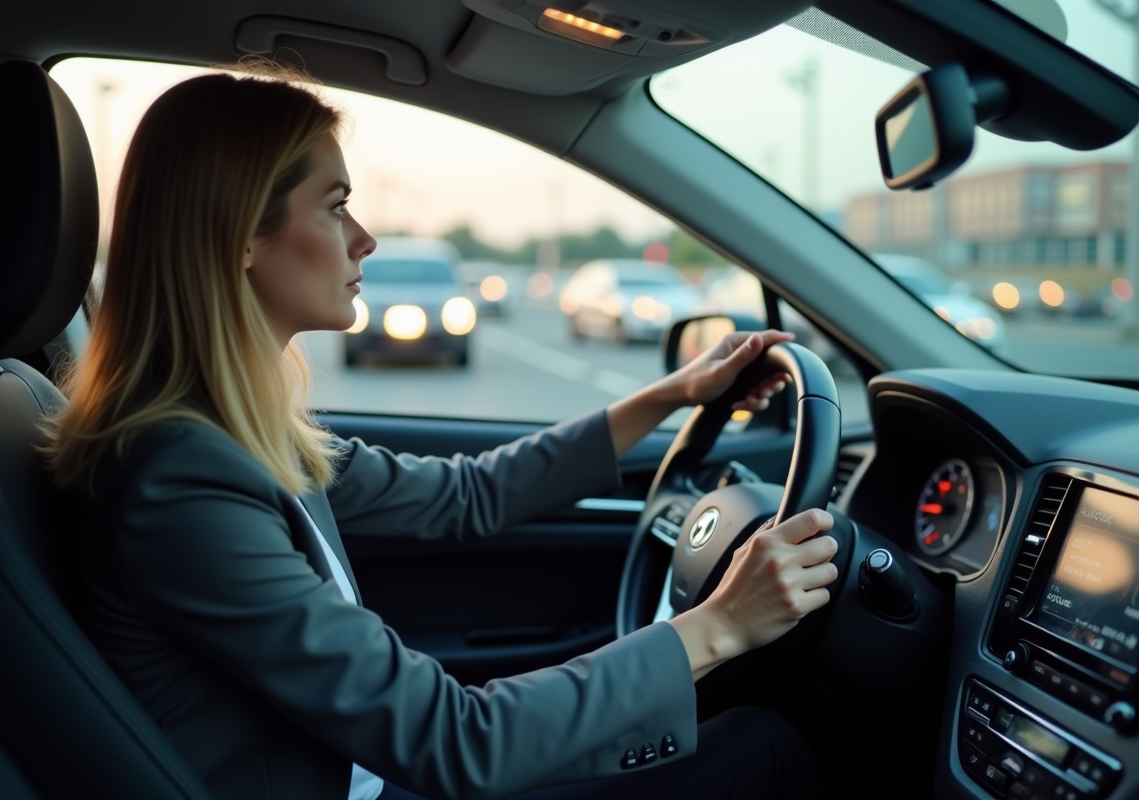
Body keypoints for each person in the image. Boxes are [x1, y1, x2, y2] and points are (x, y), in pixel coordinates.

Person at [47, 63, 839, 800]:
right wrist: (720, 624)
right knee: (766, 749)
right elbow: (457, 739)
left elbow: (467, 495)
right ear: (240, 236)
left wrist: (673, 393)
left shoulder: (235, 436)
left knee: (747, 741)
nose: (364, 238)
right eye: (335, 206)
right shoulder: (183, 483)